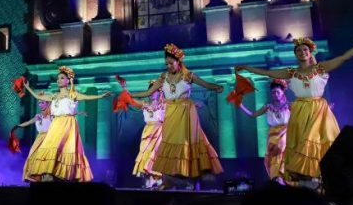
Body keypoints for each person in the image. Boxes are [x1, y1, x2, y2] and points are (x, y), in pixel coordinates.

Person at [235, 29, 353, 188]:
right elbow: (267, 72)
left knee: (318, 142)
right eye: (299, 50)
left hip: (318, 110)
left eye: (305, 50)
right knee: (303, 145)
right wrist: (247, 67)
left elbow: (344, 57)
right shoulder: (292, 72)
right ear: (296, 54)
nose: (302, 52)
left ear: (310, 52)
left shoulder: (320, 69)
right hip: (300, 111)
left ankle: (324, 178)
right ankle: (310, 179)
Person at [123, 44, 223, 189]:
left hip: (185, 113)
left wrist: (216, 87)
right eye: (166, 64)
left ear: (178, 61)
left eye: (171, 63)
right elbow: (148, 93)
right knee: (168, 145)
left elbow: (205, 84)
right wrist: (130, 95)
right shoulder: (163, 78)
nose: (168, 66)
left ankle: (191, 179)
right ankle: (168, 181)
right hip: (170, 113)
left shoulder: (188, 75)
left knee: (186, 145)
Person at [23, 66, 111, 182]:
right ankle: (48, 173)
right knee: (49, 148)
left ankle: (64, 175)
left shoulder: (72, 94)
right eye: (58, 78)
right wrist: (27, 87)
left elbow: (87, 97)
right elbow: (38, 96)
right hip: (56, 124)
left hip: (68, 124)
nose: (59, 80)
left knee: (64, 149)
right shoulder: (54, 96)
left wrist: (100, 96)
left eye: (62, 78)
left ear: (68, 81)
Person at [237, 79, 290, 182]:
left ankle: (282, 177)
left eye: (277, 92)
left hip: (285, 133)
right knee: (272, 157)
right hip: (272, 136)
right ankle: (276, 178)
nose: (275, 94)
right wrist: (241, 105)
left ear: (282, 92)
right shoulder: (268, 107)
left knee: (281, 152)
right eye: (273, 92)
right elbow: (252, 114)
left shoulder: (289, 105)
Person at [131, 81, 165, 189]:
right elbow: (130, 99)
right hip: (147, 132)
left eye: (154, 91)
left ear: (159, 91)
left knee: (156, 155)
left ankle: (158, 178)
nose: (152, 93)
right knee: (146, 154)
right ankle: (151, 178)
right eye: (150, 91)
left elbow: (179, 104)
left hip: (159, 131)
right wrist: (125, 89)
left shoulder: (164, 104)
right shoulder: (145, 104)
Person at [14, 99, 52, 182]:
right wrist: (18, 126)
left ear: (48, 103)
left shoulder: (52, 116)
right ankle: (35, 176)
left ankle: (45, 177)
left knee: (44, 158)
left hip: (49, 139)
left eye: (42, 103)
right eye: (39, 103)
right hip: (39, 139)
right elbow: (28, 122)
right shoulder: (38, 116)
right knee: (33, 156)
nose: (40, 105)